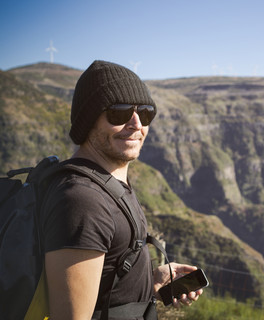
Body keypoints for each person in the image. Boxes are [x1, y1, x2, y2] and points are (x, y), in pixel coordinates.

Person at [40, 60, 202, 319]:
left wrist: (151, 280)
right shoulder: (82, 200)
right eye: (119, 112)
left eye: (146, 112)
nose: (137, 124)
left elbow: (105, 284)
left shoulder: (109, 183)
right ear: (87, 121)